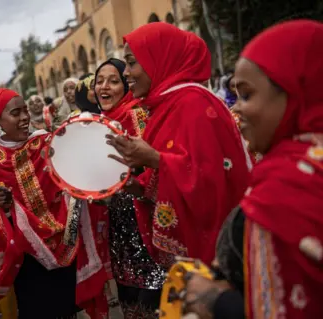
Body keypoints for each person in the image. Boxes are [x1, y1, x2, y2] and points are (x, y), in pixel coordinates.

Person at [183, 19, 323, 319]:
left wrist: (214, 303)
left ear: (293, 90)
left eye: (246, 95)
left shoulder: (286, 187)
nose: (236, 108)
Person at [106, 22, 251, 270]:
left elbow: (211, 178)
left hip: (218, 254)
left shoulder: (193, 103)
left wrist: (154, 159)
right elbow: (167, 178)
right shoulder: (166, 105)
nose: (126, 73)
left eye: (131, 62)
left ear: (159, 59)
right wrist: (134, 186)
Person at [0, 88, 108, 319]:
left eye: (25, 111)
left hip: (66, 242)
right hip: (27, 259)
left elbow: (70, 183)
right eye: (15, 113)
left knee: (69, 309)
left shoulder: (46, 144)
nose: (24, 118)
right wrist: (4, 210)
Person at [94, 58, 163, 316]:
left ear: (125, 85)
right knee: (129, 296)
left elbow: (154, 166)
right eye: (99, 81)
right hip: (118, 224)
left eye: (113, 81)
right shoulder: (95, 125)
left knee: (154, 295)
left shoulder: (139, 114)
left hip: (145, 218)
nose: (105, 87)